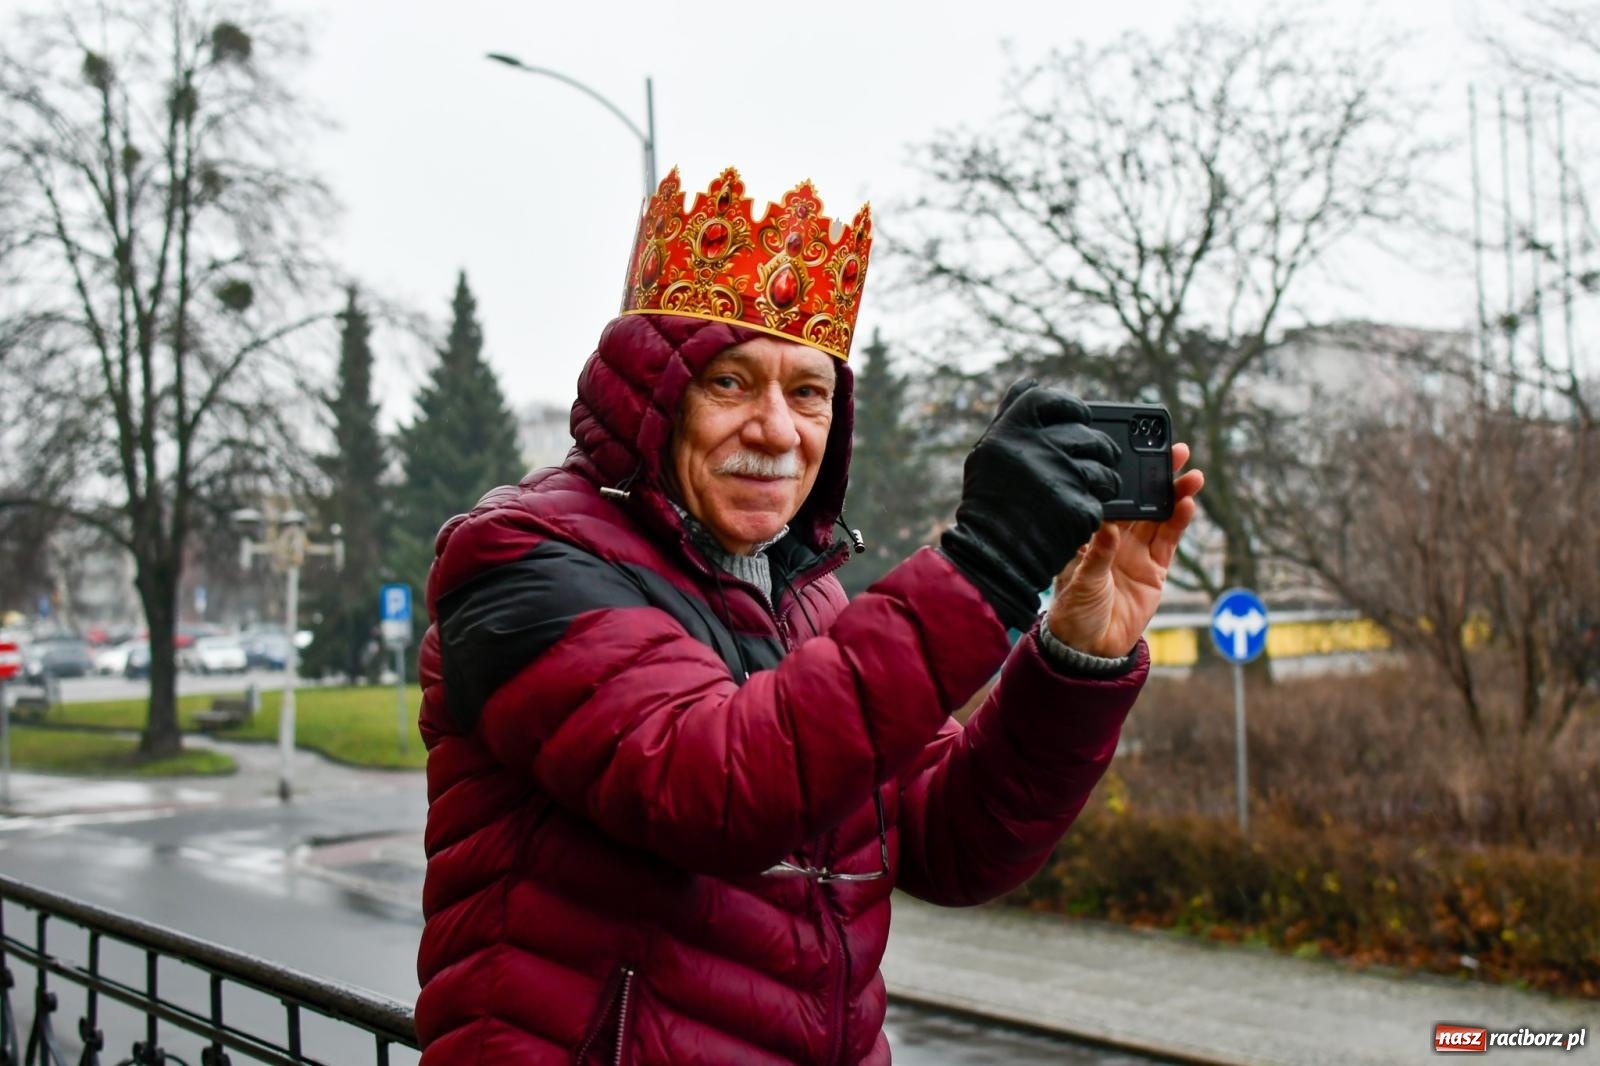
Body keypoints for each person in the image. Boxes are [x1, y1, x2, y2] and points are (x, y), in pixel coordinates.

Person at [414, 167, 1204, 1065]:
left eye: (810, 393)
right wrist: (983, 567)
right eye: (730, 383)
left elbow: (953, 843)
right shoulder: (524, 558)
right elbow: (714, 789)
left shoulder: (805, 595)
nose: (778, 430)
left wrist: (1076, 656)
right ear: (649, 398)